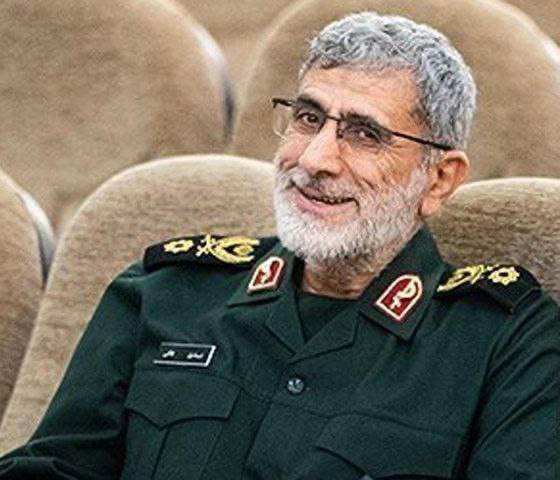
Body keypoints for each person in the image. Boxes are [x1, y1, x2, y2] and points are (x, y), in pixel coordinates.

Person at [0, 12, 558, 480]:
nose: (314, 160)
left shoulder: (504, 342)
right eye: (308, 118)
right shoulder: (165, 292)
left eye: (365, 134)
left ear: (438, 179)